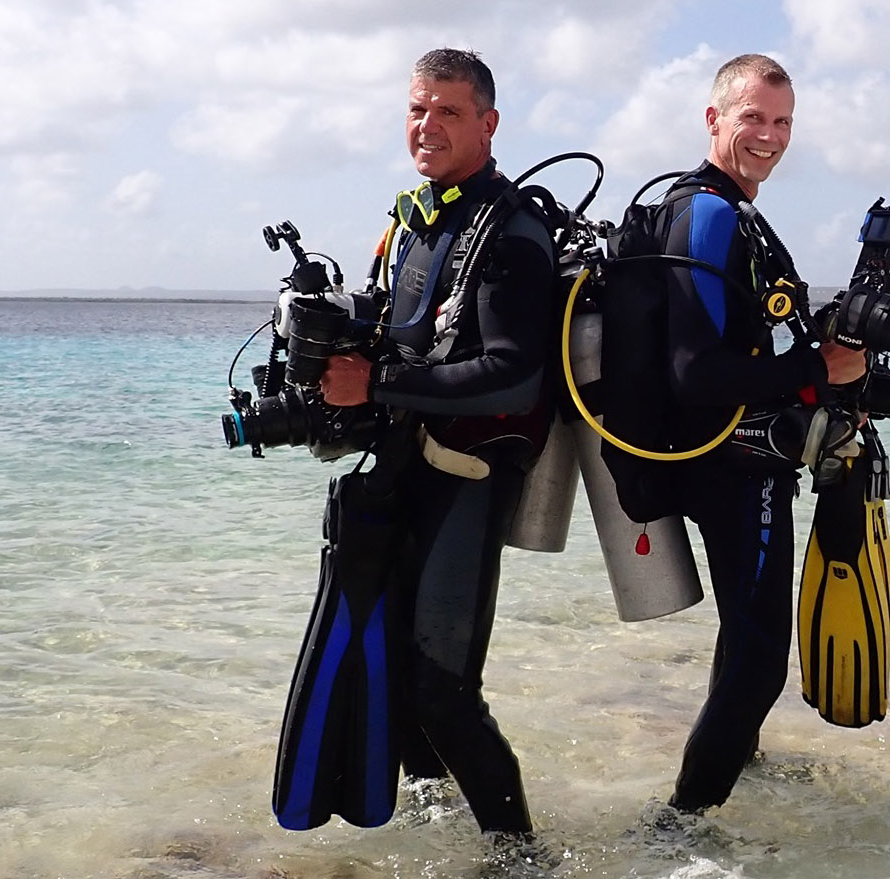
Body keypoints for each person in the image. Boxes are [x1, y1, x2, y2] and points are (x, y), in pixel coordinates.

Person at [316, 47, 556, 837]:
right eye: (418, 108)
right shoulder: (417, 217)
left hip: (468, 475)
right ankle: (436, 825)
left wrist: (375, 387)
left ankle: (523, 857)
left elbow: (515, 375)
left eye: (449, 111)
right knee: (398, 668)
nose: (428, 125)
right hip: (406, 466)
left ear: (488, 123)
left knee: (444, 689)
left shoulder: (510, 230)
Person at [652, 54, 866, 814]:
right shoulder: (708, 213)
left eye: (781, 122)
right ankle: (683, 822)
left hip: (726, 456)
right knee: (759, 661)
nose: (769, 137)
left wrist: (831, 366)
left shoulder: (734, 211)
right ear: (714, 119)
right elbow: (693, 373)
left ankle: (736, 761)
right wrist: (816, 368)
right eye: (753, 118)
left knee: (742, 638)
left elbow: (749, 342)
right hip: (729, 464)